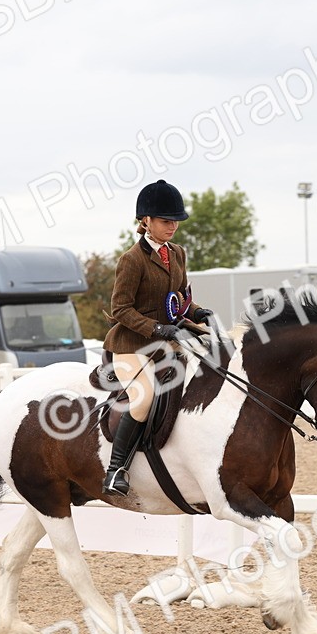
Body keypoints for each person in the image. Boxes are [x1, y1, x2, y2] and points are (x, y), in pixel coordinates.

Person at [101, 179, 214, 496]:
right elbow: (120, 308)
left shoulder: (177, 253)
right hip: (131, 345)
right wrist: (159, 329)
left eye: (175, 220)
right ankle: (116, 470)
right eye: (166, 220)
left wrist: (199, 313)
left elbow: (180, 299)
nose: (173, 226)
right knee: (144, 397)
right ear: (145, 221)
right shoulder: (132, 260)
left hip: (170, 342)